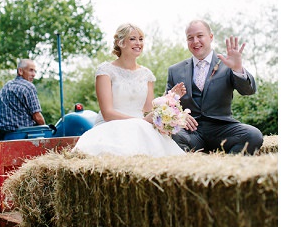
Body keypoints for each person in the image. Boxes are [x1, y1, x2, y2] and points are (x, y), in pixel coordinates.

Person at [73, 23, 185, 157]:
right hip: (112, 126)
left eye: (141, 39)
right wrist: (141, 121)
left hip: (141, 128)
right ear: (120, 42)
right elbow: (108, 113)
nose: (138, 43)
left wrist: (170, 98)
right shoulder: (105, 71)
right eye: (133, 39)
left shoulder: (147, 74)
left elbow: (149, 109)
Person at [167, 20, 263, 155]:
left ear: (210, 37)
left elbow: (248, 91)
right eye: (190, 38)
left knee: (253, 135)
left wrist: (237, 68)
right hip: (191, 133)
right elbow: (167, 105)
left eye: (200, 36)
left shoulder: (227, 63)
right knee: (170, 135)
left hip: (223, 130)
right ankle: (194, 171)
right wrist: (180, 115)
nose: (195, 41)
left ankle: (224, 170)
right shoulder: (174, 70)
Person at [0, 59, 46, 141]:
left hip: (3, 135)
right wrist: (45, 128)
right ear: (20, 71)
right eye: (31, 70)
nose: (34, 74)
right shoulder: (28, 87)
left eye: (35, 71)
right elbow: (37, 117)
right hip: (23, 135)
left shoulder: (7, 85)